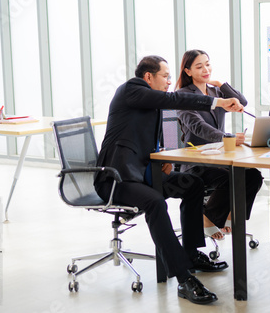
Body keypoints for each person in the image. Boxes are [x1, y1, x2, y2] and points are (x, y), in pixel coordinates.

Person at [94, 55, 244, 305]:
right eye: (165, 76)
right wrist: (217, 101)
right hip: (116, 180)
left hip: (143, 175)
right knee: (155, 202)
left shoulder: (148, 101)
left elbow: (142, 134)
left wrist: (161, 153)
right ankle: (184, 278)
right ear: (148, 77)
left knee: (193, 185)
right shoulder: (131, 89)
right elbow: (174, 98)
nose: (169, 81)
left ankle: (192, 253)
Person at [176, 49, 263, 240]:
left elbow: (242, 102)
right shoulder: (183, 95)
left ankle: (230, 216)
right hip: (196, 161)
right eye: (199, 66)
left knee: (254, 176)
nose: (206, 69)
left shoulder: (216, 91)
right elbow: (198, 126)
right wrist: (227, 138)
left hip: (219, 158)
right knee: (230, 179)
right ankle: (208, 217)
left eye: (208, 64)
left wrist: (222, 84)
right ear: (188, 71)